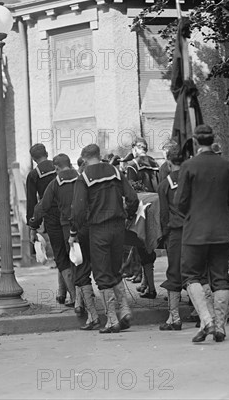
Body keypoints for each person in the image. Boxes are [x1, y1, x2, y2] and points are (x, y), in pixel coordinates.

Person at [70, 144, 139, 333]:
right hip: (118, 226)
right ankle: (124, 310)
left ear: (84, 159)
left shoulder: (83, 177)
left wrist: (74, 232)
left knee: (101, 273)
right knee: (115, 269)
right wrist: (128, 214)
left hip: (98, 228)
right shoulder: (116, 172)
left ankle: (111, 320)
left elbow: (77, 210)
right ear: (99, 156)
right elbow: (133, 198)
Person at [176, 124, 229, 343]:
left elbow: (180, 202)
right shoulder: (226, 166)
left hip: (196, 231)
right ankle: (220, 326)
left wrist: (193, 214)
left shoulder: (188, 166)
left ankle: (207, 319)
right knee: (221, 277)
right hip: (221, 230)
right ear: (213, 140)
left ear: (195, 142)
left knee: (191, 275)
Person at [31, 154, 100, 329]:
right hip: (87, 225)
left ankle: (80, 304)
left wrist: (33, 224)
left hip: (67, 229)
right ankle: (89, 303)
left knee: (73, 261)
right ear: (70, 164)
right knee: (85, 263)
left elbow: (43, 206)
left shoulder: (55, 184)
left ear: (56, 168)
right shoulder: (83, 178)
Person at [26, 143, 74, 306]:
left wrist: (32, 225)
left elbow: (33, 203)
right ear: (47, 153)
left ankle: (74, 296)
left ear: (33, 159)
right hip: (69, 213)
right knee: (71, 253)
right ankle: (63, 291)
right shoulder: (59, 167)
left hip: (51, 216)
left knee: (60, 254)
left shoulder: (34, 175)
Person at [125, 137, 159, 298]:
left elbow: (131, 189)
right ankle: (146, 283)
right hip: (157, 205)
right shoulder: (156, 163)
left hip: (141, 207)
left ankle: (150, 286)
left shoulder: (133, 165)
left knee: (141, 245)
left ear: (135, 149)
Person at [157, 143, 185, 331]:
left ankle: (174, 317)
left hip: (175, 233)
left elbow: (164, 215)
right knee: (196, 271)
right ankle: (202, 314)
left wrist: (163, 235)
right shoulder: (193, 179)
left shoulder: (165, 184)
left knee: (174, 272)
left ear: (168, 162)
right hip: (195, 231)